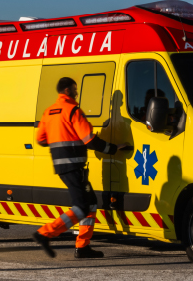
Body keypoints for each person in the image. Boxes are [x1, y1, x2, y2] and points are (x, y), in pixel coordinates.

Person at [32, 77, 128, 259]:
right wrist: (114, 149)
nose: (77, 92)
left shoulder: (49, 112)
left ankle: (83, 247)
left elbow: (40, 139)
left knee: (91, 203)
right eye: (74, 89)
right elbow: (90, 140)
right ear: (67, 90)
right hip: (74, 165)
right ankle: (45, 233)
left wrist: (59, 137)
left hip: (62, 166)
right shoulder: (73, 110)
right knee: (82, 207)